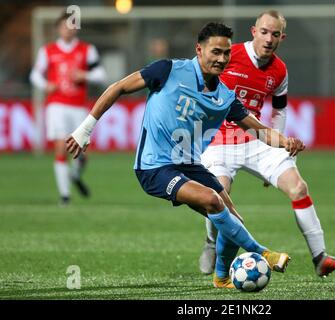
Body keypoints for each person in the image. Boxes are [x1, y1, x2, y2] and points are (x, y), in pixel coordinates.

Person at [66, 22, 306, 288]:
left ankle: (222, 277)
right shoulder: (168, 70)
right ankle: (263, 253)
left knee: (233, 219)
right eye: (215, 52)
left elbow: (259, 130)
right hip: (154, 167)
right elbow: (119, 87)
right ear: (199, 49)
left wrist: (285, 141)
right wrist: (85, 129)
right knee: (211, 200)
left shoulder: (225, 96)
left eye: (226, 53)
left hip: (190, 165)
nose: (221, 59)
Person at [199, 10, 335, 278]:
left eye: (275, 34)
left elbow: (279, 111)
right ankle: (211, 243)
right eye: (264, 32)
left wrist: (278, 147)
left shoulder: (280, 70)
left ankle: (320, 257)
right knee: (218, 195)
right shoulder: (228, 54)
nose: (269, 39)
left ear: (283, 37)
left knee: (298, 187)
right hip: (218, 141)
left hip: (256, 139)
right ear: (253, 31)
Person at [30, 12, 106, 205]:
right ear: (58, 28)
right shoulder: (48, 51)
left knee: (82, 155)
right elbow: (35, 75)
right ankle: (65, 196)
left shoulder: (87, 49)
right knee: (61, 148)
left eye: (72, 26)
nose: (68, 29)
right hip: (56, 105)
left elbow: (101, 74)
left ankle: (74, 176)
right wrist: (45, 85)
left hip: (79, 106)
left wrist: (84, 75)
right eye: (65, 26)